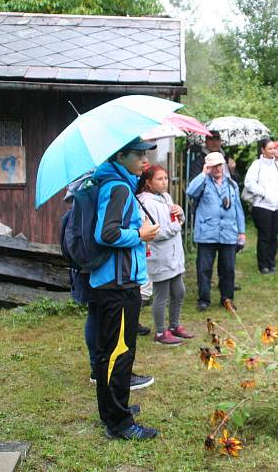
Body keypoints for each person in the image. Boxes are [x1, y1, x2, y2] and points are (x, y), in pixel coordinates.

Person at [91, 137, 160, 440]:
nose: (144, 159)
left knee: (112, 351)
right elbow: (106, 233)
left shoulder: (118, 183)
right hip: (117, 284)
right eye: (138, 154)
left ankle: (114, 409)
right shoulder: (117, 188)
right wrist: (140, 234)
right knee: (119, 353)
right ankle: (118, 423)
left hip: (114, 281)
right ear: (120, 155)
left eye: (146, 154)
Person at [137, 165, 195, 346]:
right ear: (148, 182)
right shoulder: (145, 204)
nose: (164, 182)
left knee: (179, 291)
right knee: (161, 295)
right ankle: (161, 332)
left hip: (174, 255)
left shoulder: (166, 197)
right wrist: (176, 227)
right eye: (159, 179)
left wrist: (181, 214)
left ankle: (175, 326)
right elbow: (153, 232)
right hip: (159, 257)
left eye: (166, 178)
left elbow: (177, 220)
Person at [186, 152, 246, 311]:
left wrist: (241, 232)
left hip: (228, 232)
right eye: (214, 166)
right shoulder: (202, 182)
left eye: (220, 165)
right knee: (204, 268)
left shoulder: (232, 184)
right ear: (208, 167)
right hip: (207, 233)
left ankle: (227, 298)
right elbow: (190, 192)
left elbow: (238, 209)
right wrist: (202, 174)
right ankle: (204, 299)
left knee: (228, 268)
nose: (218, 168)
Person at [244, 138, 278, 274]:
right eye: (270, 149)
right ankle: (263, 265)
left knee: (274, 236)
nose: (273, 151)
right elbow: (249, 183)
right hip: (262, 206)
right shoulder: (256, 165)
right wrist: (263, 193)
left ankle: (271, 263)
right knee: (264, 235)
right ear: (263, 150)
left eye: (274, 148)